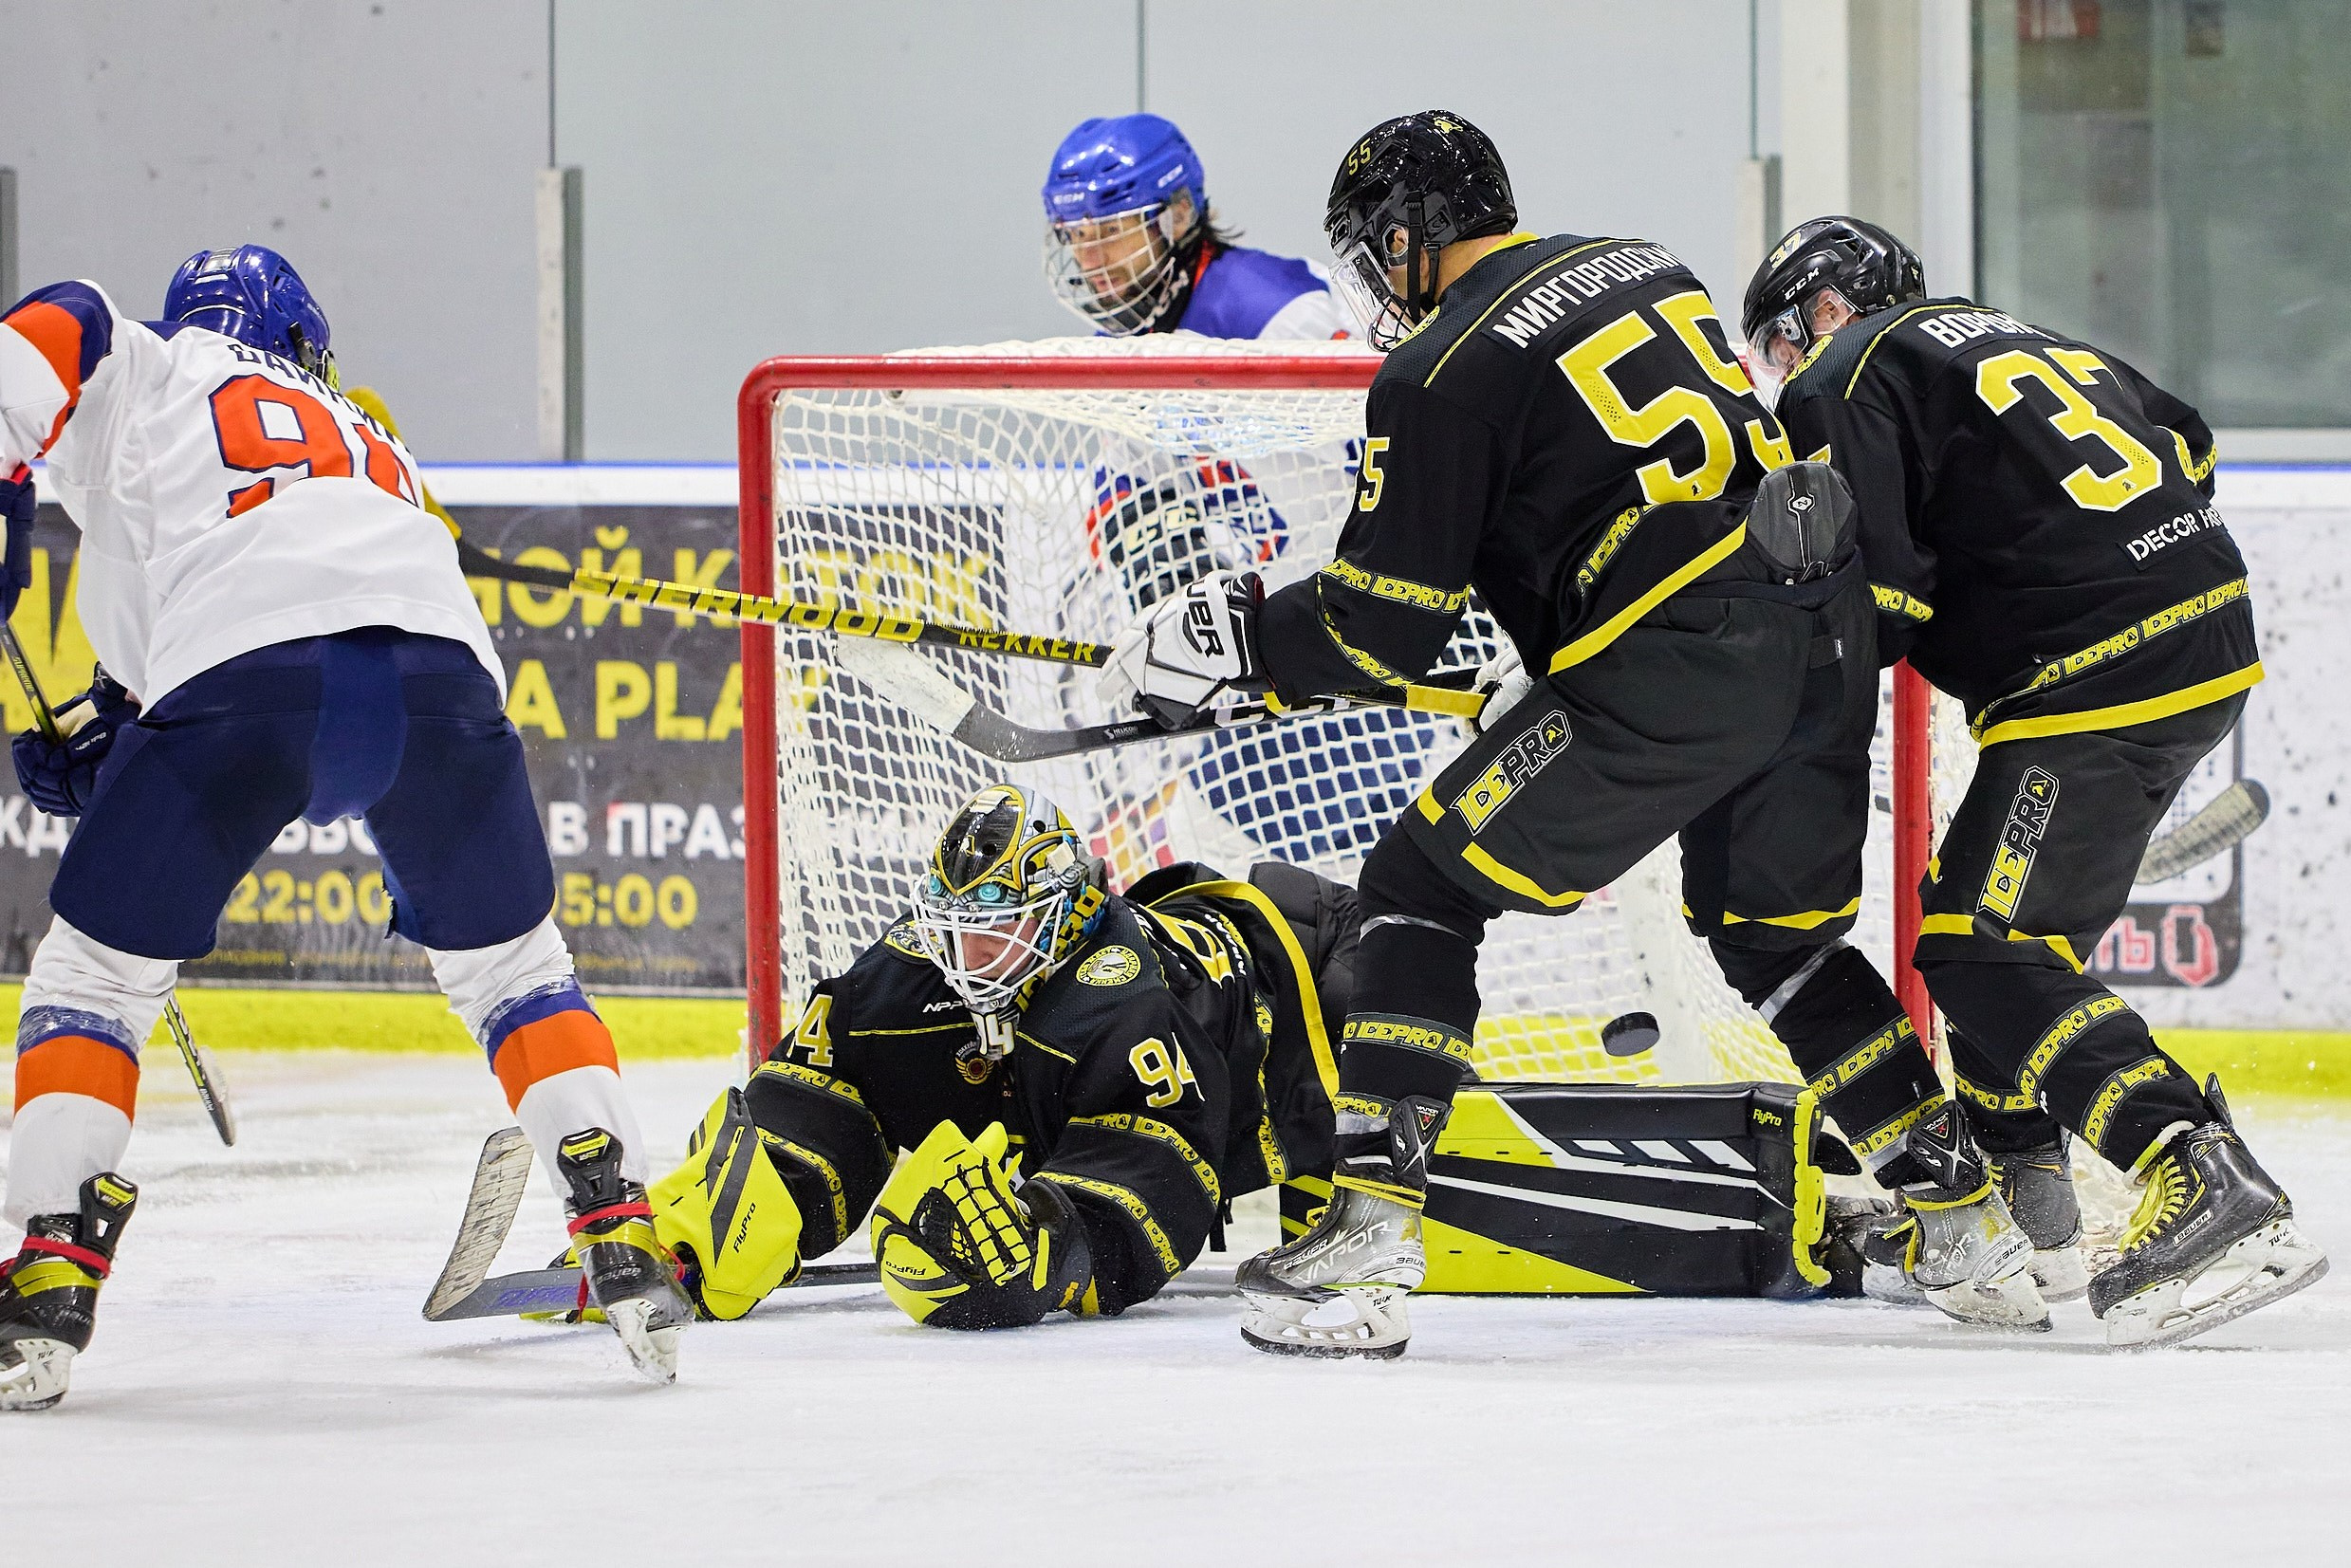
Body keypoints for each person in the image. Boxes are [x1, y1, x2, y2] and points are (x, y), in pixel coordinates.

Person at [1098, 112, 2046, 1359]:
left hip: (1673, 662)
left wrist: (1237, 643)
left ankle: (1367, 1241)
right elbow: (1591, 503)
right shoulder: (1644, 263)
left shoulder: (1437, 370)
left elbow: (1381, 625)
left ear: (1403, 235)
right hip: (1818, 631)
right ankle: (1968, 1224)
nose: (1375, 284)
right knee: (1778, 940)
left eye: (1373, 252)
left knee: (1413, 887)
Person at [0, 247, 687, 1408]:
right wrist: (122, 721)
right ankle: (614, 1215)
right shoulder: (371, 440)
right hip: (442, 686)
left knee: (97, 979)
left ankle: (53, 1266)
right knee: (517, 971)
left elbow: (53, 325)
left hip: (248, 677)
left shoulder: (155, 368)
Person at [1747, 216, 2328, 1348]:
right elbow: (2187, 443)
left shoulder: (1843, 370)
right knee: (1992, 920)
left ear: (1824, 308)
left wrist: (1788, 719)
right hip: (2205, 635)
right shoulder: (2021, 335)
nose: (1782, 370)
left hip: (2091, 673)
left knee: (1978, 951)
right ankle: (2038, 1214)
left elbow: (1883, 599)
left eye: (1779, 339)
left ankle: (2201, 1172)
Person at [650, 784, 1345, 1329]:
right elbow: (827, 1082)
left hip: (1308, 986)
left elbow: (1161, 1168)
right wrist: (723, 1213)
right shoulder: (922, 967)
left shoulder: (1119, 998)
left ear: (1064, 915)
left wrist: (1052, 1240)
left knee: (1348, 1242)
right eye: (953, 930)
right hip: (1195, 962)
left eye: (993, 932)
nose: (965, 959)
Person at [1043, 113, 1355, 341]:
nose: (1089, 260)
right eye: (1076, 234)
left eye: (1111, 231)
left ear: (1178, 218)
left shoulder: (1279, 316)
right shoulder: (1123, 331)